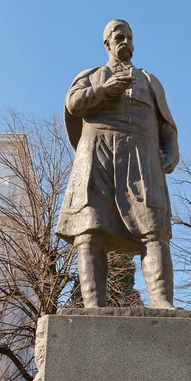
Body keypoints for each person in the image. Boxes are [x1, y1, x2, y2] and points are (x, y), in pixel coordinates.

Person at [56, 19, 179, 308]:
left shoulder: (149, 81)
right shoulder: (91, 75)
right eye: (118, 36)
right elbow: (74, 104)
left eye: (129, 37)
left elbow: (168, 129)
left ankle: (162, 301)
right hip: (97, 153)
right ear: (107, 43)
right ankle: (93, 305)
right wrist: (105, 91)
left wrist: (171, 153)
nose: (125, 41)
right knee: (90, 228)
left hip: (142, 157)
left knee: (154, 227)